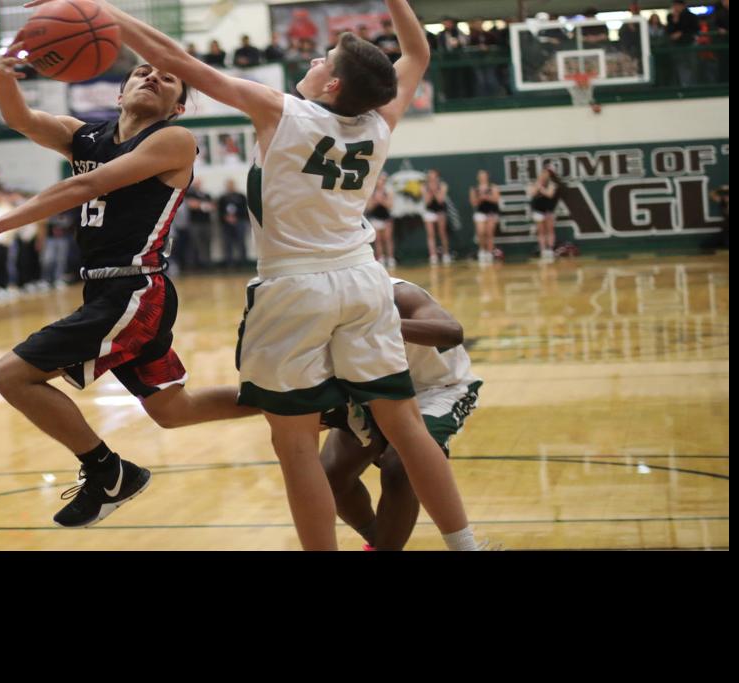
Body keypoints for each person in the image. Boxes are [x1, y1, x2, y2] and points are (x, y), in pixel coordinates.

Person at [52, 0, 484, 550]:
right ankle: (466, 544)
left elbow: (174, 58)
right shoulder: (379, 122)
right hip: (363, 279)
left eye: (323, 61)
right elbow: (419, 50)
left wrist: (101, 12)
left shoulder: (281, 111)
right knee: (403, 423)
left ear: (331, 87)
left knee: (295, 443)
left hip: (295, 288)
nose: (312, 62)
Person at [0, 52, 258, 528]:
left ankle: (109, 473)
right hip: (109, 293)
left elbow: (85, 185)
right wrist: (2, 77)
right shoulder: (85, 136)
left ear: (177, 107)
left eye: (168, 78)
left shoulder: (174, 139)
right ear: (119, 92)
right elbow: (20, 118)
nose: (152, 76)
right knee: (173, 410)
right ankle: (317, 406)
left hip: (136, 292)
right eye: (142, 72)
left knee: (11, 375)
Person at [321, 278, 480, 551]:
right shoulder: (313, 308)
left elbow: (452, 332)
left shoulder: (400, 293)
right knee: (329, 475)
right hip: (374, 392)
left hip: (436, 390)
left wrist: (382, 325)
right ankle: (379, 541)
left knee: (400, 465)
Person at [469, 169, 501, 264]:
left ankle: (489, 253)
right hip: (480, 213)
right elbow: (473, 203)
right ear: (478, 177)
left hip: (491, 213)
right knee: (481, 232)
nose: (482, 177)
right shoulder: (474, 188)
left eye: (484, 175)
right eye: (480, 176)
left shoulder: (493, 187)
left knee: (489, 233)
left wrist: (486, 197)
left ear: (487, 176)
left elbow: (496, 199)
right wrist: (480, 198)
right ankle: (482, 251)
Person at [529, 166, 560, 261]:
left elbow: (550, 194)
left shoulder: (552, 184)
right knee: (541, 231)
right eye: (542, 174)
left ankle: (550, 249)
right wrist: (537, 186)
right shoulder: (534, 184)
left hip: (549, 210)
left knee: (550, 230)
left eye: (546, 174)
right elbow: (531, 193)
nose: (544, 176)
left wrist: (541, 188)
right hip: (538, 211)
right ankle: (543, 250)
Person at [218, 179, 249, 268]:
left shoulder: (241, 196)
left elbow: (245, 209)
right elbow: (219, 211)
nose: (230, 186)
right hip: (226, 224)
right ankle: (229, 263)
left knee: (241, 242)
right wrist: (226, 218)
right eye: (228, 185)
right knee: (228, 243)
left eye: (232, 184)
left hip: (240, 222)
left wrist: (237, 218)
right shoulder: (223, 198)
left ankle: (243, 262)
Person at [422, 168, 451, 264]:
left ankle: (446, 254)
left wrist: (435, 191)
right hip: (429, 211)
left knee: (442, 233)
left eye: (433, 175)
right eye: (430, 175)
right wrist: (430, 191)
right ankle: (433, 255)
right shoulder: (424, 187)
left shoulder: (442, 186)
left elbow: (440, 200)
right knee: (430, 234)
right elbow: (427, 202)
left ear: (437, 176)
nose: (431, 177)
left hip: (440, 211)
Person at [366, 173, 394, 269]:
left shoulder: (388, 192)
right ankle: (381, 258)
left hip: (386, 218)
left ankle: (390, 258)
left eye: (383, 180)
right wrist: (375, 201)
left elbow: (390, 205)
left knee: (388, 239)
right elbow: (368, 207)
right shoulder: (371, 192)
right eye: (379, 180)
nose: (381, 182)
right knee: (378, 240)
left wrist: (382, 201)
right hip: (375, 218)